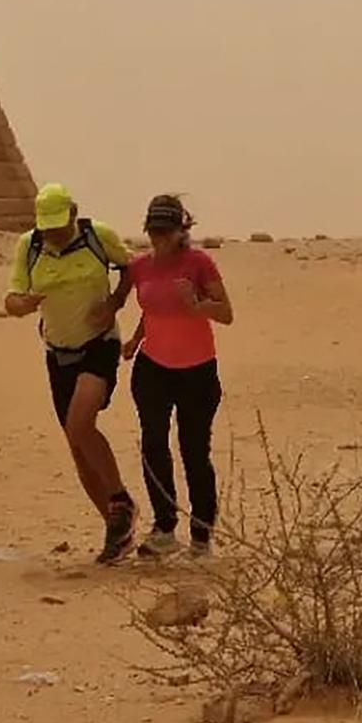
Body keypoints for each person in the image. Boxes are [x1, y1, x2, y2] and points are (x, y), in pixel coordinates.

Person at [3, 182, 140, 563]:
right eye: (47, 226)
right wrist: (24, 304)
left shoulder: (99, 237)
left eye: (58, 226)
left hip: (99, 344)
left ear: (74, 214)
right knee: (76, 445)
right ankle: (117, 531)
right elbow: (11, 299)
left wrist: (114, 302)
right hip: (58, 350)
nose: (53, 233)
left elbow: (131, 268)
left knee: (80, 424)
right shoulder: (29, 246)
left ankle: (120, 500)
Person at [122, 193, 232, 556]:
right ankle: (164, 527)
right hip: (153, 368)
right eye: (153, 231)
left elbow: (226, 312)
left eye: (164, 231)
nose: (157, 238)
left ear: (179, 231)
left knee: (194, 450)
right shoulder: (140, 266)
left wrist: (197, 304)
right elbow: (151, 309)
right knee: (154, 445)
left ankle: (201, 534)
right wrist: (136, 340)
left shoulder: (198, 262)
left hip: (197, 371)